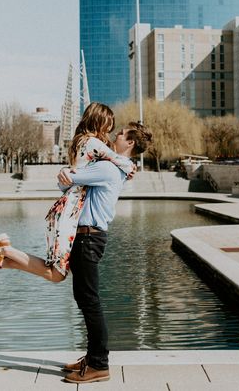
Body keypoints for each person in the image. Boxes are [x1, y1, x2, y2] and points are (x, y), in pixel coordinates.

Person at [0, 103, 134, 282]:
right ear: (98, 121)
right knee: (57, 273)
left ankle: (1, 259)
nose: (108, 132)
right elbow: (116, 159)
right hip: (70, 212)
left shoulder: (79, 142)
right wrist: (130, 168)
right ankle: (3, 250)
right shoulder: (92, 142)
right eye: (107, 126)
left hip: (68, 208)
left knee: (56, 272)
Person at [58, 122, 152, 384]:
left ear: (130, 143)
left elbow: (68, 178)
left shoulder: (109, 167)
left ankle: (99, 364)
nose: (115, 135)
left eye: (121, 133)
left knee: (90, 301)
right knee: (86, 299)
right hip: (88, 237)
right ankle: (92, 357)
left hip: (89, 238)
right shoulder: (116, 166)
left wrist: (66, 172)